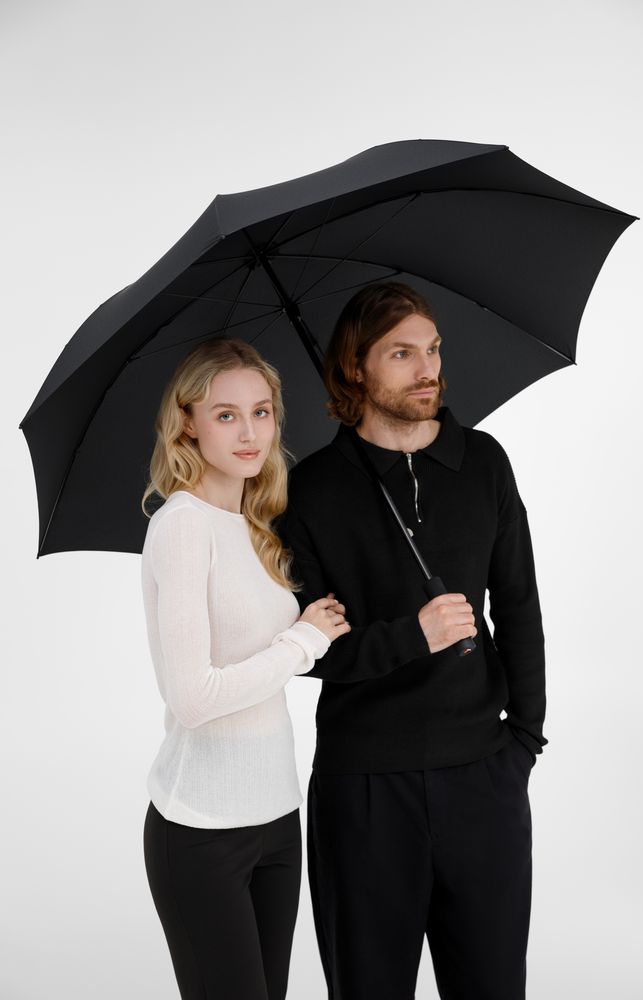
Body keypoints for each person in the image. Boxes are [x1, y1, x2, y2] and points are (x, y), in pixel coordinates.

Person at [278, 281, 547, 1000]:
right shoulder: (309, 491)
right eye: (401, 354)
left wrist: (523, 742)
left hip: (483, 777)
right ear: (355, 367)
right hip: (362, 791)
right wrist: (411, 636)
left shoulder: (483, 462)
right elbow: (307, 649)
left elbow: (519, 606)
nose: (427, 369)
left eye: (432, 349)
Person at [139, 337, 349, 1000]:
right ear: (188, 423)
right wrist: (302, 642)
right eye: (225, 414)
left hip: (277, 815)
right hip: (201, 828)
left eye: (261, 412)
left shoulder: (258, 528)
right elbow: (193, 698)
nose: (249, 432)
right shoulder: (182, 526)